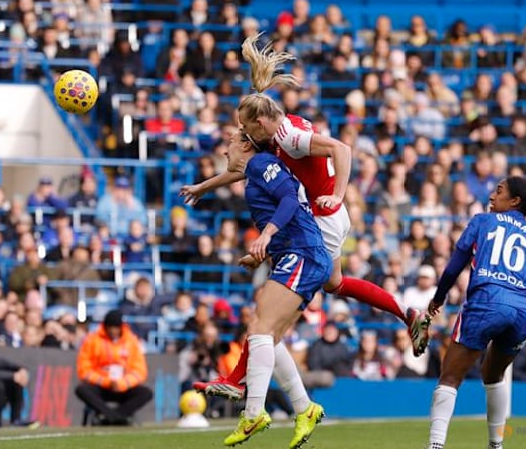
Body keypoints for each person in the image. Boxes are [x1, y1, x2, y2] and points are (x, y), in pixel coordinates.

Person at [182, 32, 431, 399]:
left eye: (246, 129)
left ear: (261, 124)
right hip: (323, 217)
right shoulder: (281, 130)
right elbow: (245, 166)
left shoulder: (289, 136)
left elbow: (341, 149)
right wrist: (205, 187)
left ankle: (242, 381)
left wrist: (338, 193)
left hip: (322, 217)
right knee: (330, 286)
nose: (243, 136)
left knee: (274, 313)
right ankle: (406, 313)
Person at [425, 177, 526, 449]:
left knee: (450, 376)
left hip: (486, 302)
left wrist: (438, 298)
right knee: (493, 375)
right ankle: (496, 445)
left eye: (499, 191)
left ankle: (435, 445)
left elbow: (453, 268)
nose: (492, 195)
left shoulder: (481, 222)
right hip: (523, 313)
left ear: (514, 201)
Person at [217, 125, 331, 448]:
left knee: (258, 329)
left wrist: (266, 235)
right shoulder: (257, 171)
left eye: (230, 144)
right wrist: (263, 252)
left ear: (246, 144)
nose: (226, 151)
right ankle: (304, 408)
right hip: (297, 254)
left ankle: (253, 412)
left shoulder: (260, 164)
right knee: (268, 335)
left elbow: (287, 201)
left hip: (302, 253)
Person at [74, 310, 152, 426]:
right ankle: (115, 417)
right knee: (82, 389)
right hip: (101, 386)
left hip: (123, 386)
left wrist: (122, 383)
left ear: (121, 327)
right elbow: (84, 370)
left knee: (146, 393)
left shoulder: (131, 342)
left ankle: (112, 416)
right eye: (110, 327)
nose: (112, 331)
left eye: (115, 327)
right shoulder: (92, 340)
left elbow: (140, 371)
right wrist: (106, 382)